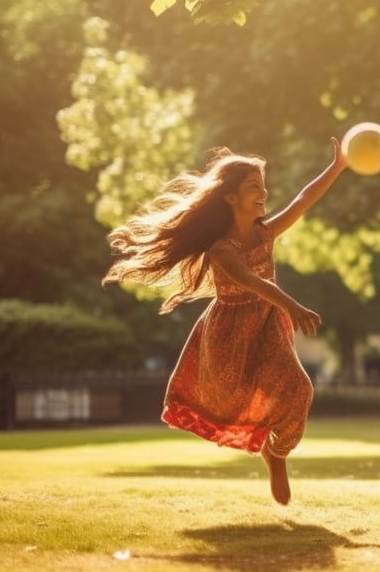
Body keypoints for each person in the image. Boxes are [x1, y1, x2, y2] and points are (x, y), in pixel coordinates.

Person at [104, 142, 349, 505]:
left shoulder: (265, 232)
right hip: (229, 329)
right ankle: (264, 443)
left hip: (267, 323)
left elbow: (302, 199)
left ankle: (275, 453)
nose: (263, 193)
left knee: (299, 388)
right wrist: (294, 306)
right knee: (230, 397)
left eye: (263, 185)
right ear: (231, 197)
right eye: (253, 186)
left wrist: (338, 166)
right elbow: (252, 282)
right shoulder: (221, 249)